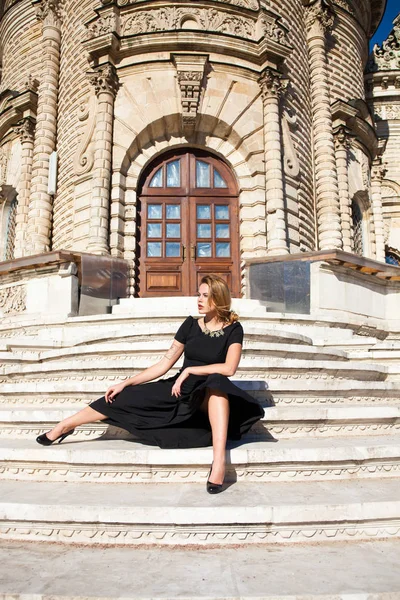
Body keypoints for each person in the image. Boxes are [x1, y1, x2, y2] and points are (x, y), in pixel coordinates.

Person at [36, 274, 264, 493]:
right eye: (199, 294)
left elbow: (229, 368)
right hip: (178, 388)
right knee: (122, 396)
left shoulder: (234, 329)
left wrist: (192, 370)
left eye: (205, 295)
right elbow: (164, 363)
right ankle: (65, 426)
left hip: (207, 395)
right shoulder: (190, 326)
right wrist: (126, 383)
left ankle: (219, 462)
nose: (199, 300)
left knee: (217, 385)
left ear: (218, 298)